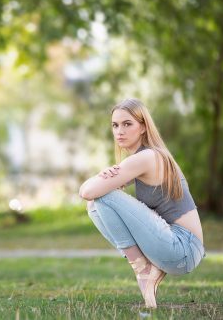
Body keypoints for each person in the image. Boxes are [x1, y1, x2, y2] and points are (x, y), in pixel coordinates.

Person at [79, 98, 205, 308]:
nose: (120, 131)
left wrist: (101, 179)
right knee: (94, 206)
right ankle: (143, 267)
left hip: (183, 248)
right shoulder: (143, 158)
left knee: (103, 197)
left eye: (127, 124)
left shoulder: (146, 157)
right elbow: (91, 195)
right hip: (176, 248)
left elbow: (87, 191)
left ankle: (143, 269)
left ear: (143, 127)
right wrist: (103, 179)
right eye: (115, 125)